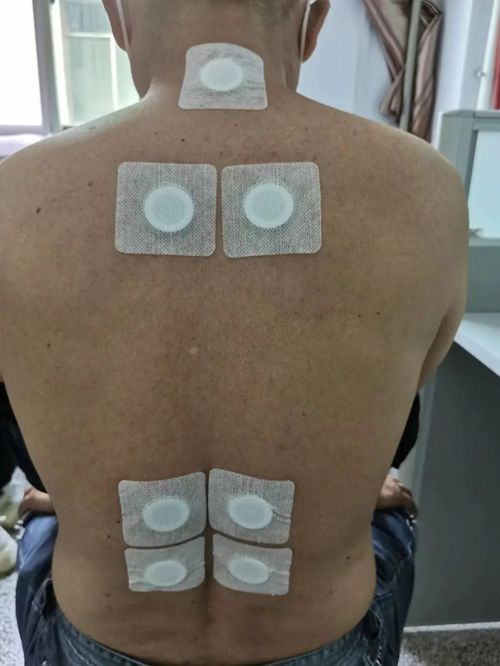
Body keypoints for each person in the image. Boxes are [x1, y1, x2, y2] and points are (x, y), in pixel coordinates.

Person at [0, 0, 468, 664]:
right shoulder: (426, 192)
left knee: (43, 525)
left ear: (116, 17)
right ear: (314, 20)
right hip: (322, 640)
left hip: (98, 640)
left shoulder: (14, 199)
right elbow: (394, 407)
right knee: (388, 514)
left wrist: (81, 496)